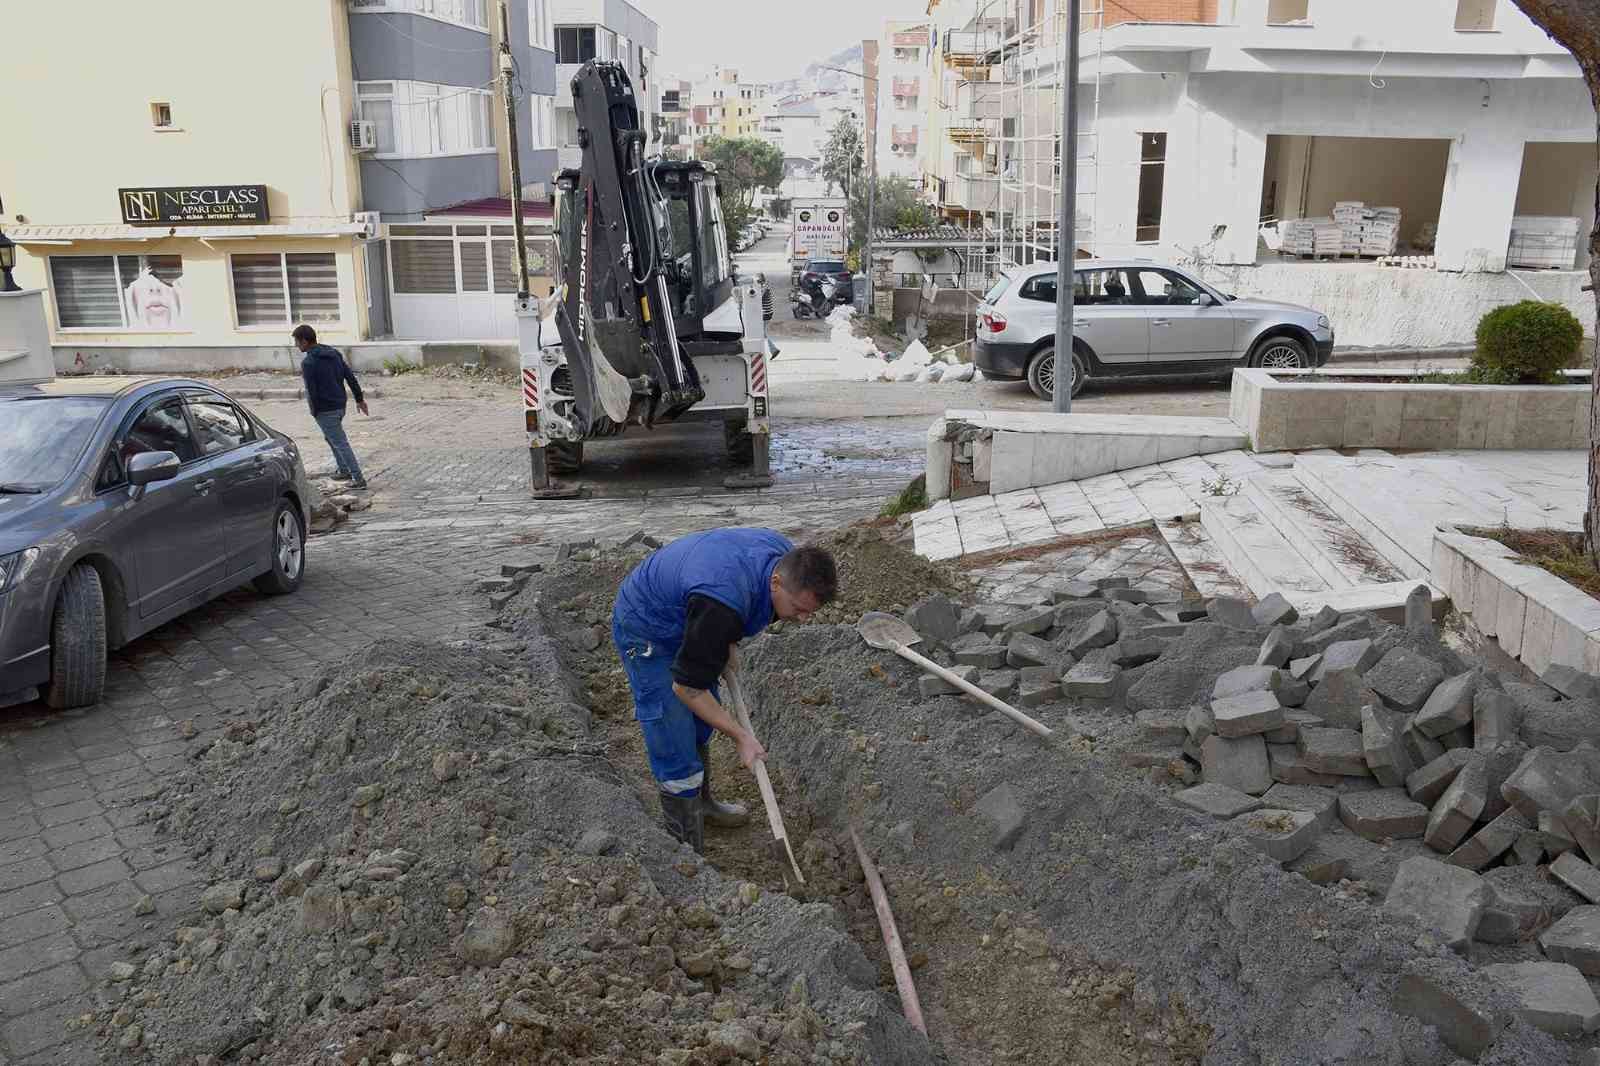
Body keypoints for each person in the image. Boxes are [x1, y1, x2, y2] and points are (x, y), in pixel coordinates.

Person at [611, 529, 838, 852]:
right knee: (674, 733)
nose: (801, 619)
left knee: (702, 723)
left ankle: (702, 805)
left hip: (694, 611)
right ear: (776, 582)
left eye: (808, 612)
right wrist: (741, 737)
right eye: (798, 608)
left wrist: (727, 638)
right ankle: (686, 852)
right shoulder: (720, 602)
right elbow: (687, 688)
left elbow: (740, 602)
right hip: (649, 627)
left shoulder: (783, 556)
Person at [294, 324, 370, 489]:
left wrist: (314, 411)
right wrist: (359, 399)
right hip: (340, 405)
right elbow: (350, 377)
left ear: (305, 341)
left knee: (340, 442)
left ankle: (358, 479)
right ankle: (343, 470)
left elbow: (311, 391)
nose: (296, 345)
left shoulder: (308, 363)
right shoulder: (334, 353)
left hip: (325, 409)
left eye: (297, 341)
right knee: (332, 438)